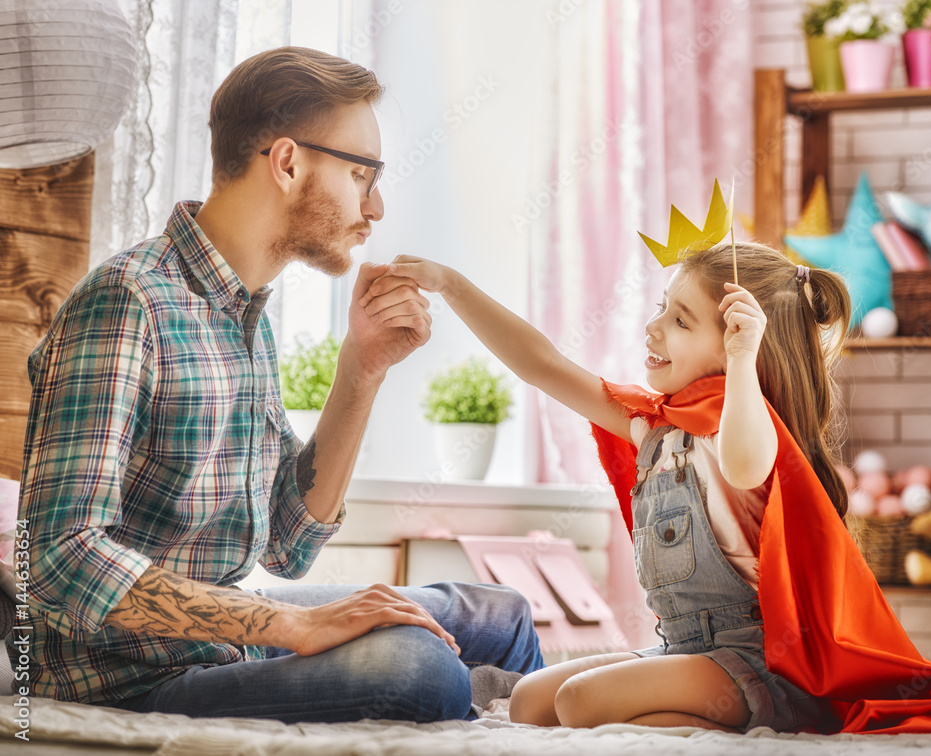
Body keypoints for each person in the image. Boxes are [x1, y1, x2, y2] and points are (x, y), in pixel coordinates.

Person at [13, 46, 542, 724]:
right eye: (361, 174)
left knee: (501, 613)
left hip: (222, 641)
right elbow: (58, 558)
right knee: (420, 666)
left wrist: (363, 365)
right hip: (133, 678)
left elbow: (287, 546)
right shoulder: (129, 301)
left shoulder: (246, 319)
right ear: (288, 162)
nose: (375, 206)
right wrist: (287, 626)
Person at [363, 242, 931, 733]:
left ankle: (776, 726)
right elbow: (544, 364)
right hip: (688, 651)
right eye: (662, 310)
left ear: (737, 347)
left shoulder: (742, 431)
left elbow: (750, 465)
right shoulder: (654, 427)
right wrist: (451, 286)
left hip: (760, 668)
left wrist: (746, 362)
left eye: (680, 320)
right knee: (532, 701)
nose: (654, 329)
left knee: (582, 701)